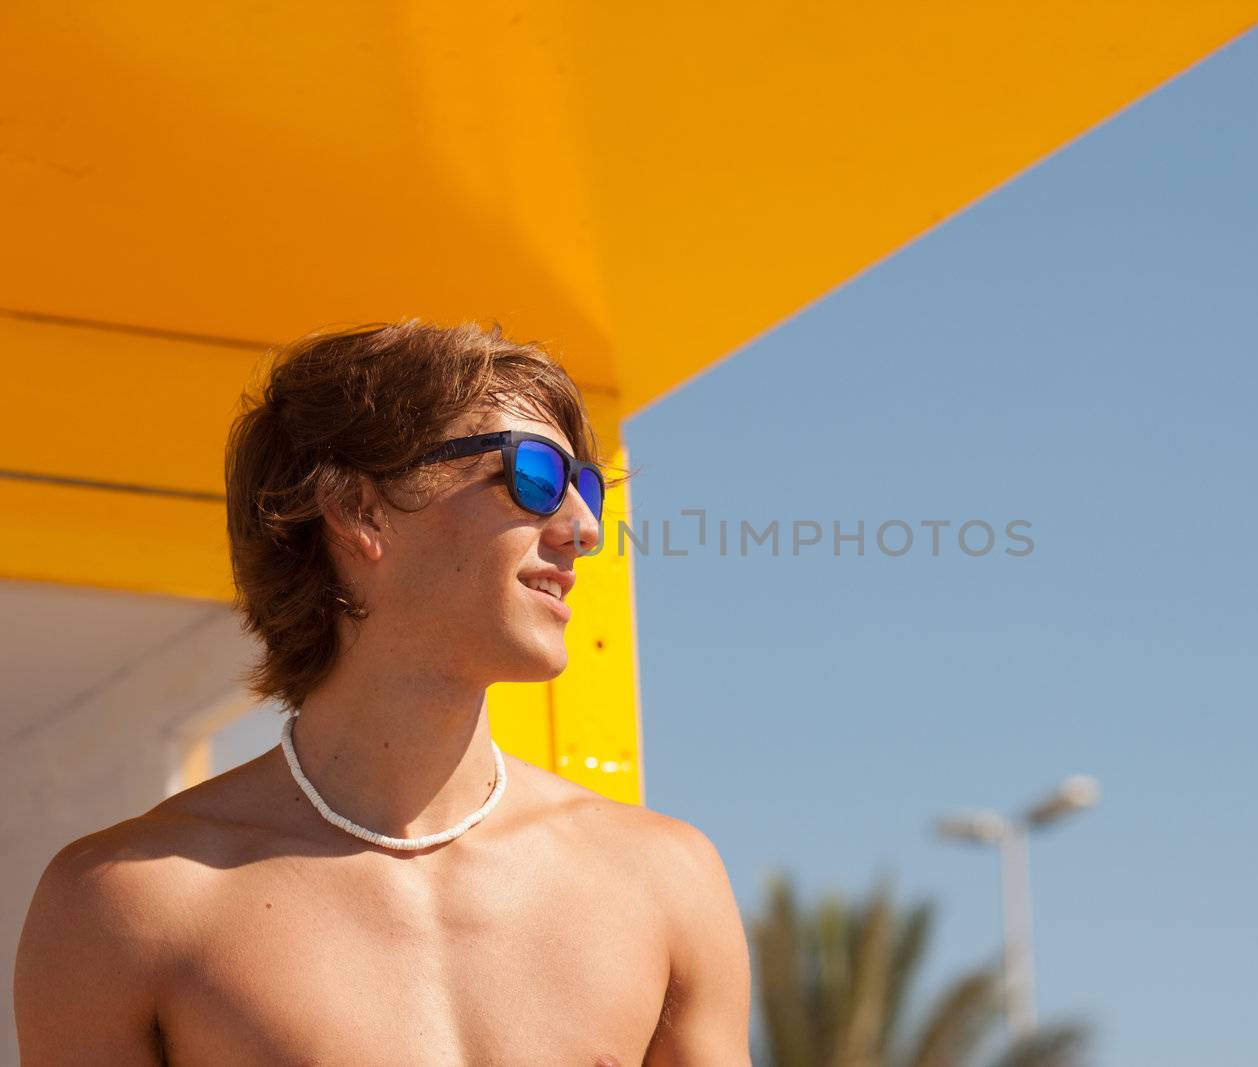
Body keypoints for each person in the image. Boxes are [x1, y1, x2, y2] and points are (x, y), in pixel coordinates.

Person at [13, 320, 752, 1065]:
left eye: (585, 487)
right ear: (358, 509)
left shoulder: (665, 884)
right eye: (535, 476)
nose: (585, 528)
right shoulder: (128, 907)